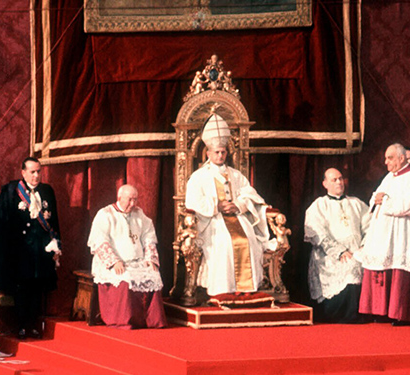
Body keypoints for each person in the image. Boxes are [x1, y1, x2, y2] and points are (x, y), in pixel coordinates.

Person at [184, 113, 275, 296]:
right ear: (208, 153)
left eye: (223, 152)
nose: (220, 155)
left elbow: (251, 194)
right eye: (216, 152)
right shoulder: (199, 176)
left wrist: (239, 205)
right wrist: (217, 206)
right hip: (212, 221)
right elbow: (192, 200)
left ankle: (246, 287)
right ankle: (224, 289)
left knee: (248, 240)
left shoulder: (235, 174)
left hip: (237, 218)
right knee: (224, 242)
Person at [0, 157, 61, 339]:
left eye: (39, 171)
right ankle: (21, 325)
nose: (36, 175)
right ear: (23, 172)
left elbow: (54, 220)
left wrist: (56, 244)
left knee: (37, 287)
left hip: (41, 250)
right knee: (22, 288)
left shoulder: (47, 191)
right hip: (19, 251)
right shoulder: (11, 190)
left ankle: (33, 325)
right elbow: (0, 222)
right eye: (32, 172)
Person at [356, 143, 410, 325]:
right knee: (379, 266)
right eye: (385, 158)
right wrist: (379, 200)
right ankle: (380, 310)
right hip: (383, 234)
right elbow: (375, 198)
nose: (386, 162)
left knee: (399, 268)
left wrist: (386, 201)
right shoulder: (389, 177)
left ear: (401, 158)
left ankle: (402, 314)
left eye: (390, 158)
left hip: (402, 234)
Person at [87, 184, 166, 329]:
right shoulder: (105, 214)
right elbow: (99, 240)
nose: (133, 204)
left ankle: (151, 320)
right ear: (119, 198)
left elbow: (149, 236)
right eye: (129, 200)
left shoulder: (139, 214)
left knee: (154, 275)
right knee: (126, 277)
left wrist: (151, 258)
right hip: (114, 262)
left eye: (135, 200)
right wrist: (114, 261)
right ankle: (125, 320)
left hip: (137, 260)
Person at [303, 168, 369, 323]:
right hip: (330, 255)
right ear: (325, 183)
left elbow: (370, 226)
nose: (339, 182)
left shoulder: (356, 203)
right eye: (334, 180)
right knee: (348, 265)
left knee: (358, 262)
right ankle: (340, 315)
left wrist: (364, 248)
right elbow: (317, 232)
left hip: (357, 251)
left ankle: (360, 313)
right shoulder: (319, 205)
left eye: (341, 179)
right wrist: (339, 251)